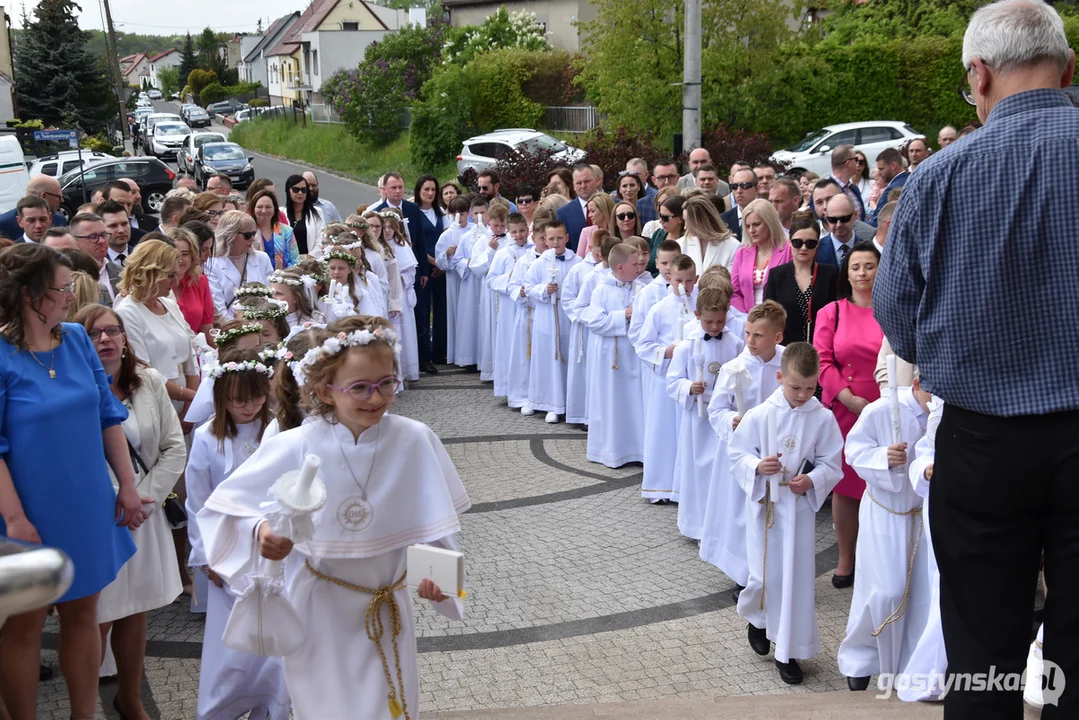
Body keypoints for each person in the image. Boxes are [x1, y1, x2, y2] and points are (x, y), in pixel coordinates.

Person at [875, 2, 1078, 717]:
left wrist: (956, 348)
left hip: (983, 440)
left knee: (980, 657)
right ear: (1067, 69)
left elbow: (897, 321)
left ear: (979, 74)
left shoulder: (934, 180)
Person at [196, 316, 471, 718]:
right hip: (318, 612)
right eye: (359, 387)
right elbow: (225, 509)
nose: (375, 398)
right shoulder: (296, 444)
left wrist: (442, 588)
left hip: (387, 608)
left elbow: (437, 531)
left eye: (386, 383)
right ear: (326, 391)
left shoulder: (414, 440)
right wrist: (261, 530)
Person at [0, 244, 140, 720]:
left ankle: (85, 715)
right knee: (25, 624)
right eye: (61, 289)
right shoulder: (0, 354)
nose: (70, 297)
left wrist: (126, 484)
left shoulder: (78, 339)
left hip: (86, 503)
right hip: (25, 513)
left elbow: (108, 416)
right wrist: (14, 519)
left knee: (84, 614)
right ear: (29, 295)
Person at [79, 304, 185, 720]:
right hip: (98, 519)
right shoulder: (77, 389)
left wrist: (145, 498)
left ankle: (131, 698)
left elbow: (173, 447)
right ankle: (85, 706)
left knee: (135, 608)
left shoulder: (150, 382)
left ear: (125, 339)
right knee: (97, 614)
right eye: (93, 334)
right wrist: (116, 499)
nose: (105, 340)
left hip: (143, 512)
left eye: (112, 331)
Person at [184, 347, 290, 720]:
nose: (248, 407)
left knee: (274, 646)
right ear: (222, 398)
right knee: (231, 647)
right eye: (237, 401)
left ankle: (271, 708)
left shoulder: (277, 431)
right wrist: (205, 556)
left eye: (257, 397)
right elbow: (197, 502)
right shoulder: (206, 438)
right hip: (227, 554)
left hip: (271, 550)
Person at [730, 342, 844, 685]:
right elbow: (737, 455)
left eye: (810, 388)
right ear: (780, 377)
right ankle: (758, 618)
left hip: (798, 512)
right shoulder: (761, 415)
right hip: (766, 509)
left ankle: (788, 652)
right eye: (795, 386)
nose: (802, 394)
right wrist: (757, 465)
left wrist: (812, 478)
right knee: (765, 576)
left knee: (795, 581)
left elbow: (832, 462)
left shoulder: (822, 418)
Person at [838, 373, 933, 692]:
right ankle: (861, 658)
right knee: (885, 591)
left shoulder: (942, 415)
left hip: (922, 516)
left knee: (920, 594)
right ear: (918, 383)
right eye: (933, 393)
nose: (937, 402)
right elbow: (854, 451)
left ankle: (908, 663)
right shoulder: (881, 409)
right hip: (885, 511)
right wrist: (885, 459)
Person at [701, 300, 787, 597]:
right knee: (741, 514)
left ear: (777, 337)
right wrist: (732, 420)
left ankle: (772, 570)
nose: (750, 340)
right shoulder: (734, 368)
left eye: (758, 335)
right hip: (744, 455)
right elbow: (717, 410)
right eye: (748, 333)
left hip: (778, 452)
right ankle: (744, 573)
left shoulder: (787, 363)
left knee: (774, 513)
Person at [813, 241, 883, 587]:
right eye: (855, 266)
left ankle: (881, 560)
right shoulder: (832, 312)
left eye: (869, 266)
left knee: (883, 483)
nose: (862, 273)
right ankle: (846, 558)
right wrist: (849, 398)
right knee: (845, 486)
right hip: (846, 407)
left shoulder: (893, 309)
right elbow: (822, 361)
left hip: (885, 409)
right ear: (847, 271)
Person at [667, 286, 743, 538]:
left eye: (720, 321)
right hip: (698, 418)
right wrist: (689, 386)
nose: (715, 327)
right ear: (697, 315)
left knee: (721, 471)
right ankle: (696, 526)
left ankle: (720, 526)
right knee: (698, 471)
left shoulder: (735, 343)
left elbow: (744, 376)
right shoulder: (688, 345)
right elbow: (672, 380)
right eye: (709, 321)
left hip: (725, 416)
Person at [634, 254, 698, 502]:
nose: (684, 287)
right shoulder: (659, 309)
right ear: (668, 277)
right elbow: (643, 344)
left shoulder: (700, 307)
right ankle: (660, 487)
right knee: (664, 432)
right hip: (666, 380)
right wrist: (666, 352)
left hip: (691, 381)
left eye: (689, 281)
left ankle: (686, 487)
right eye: (679, 280)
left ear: (696, 279)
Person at [580, 243, 649, 467]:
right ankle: (611, 451)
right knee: (612, 402)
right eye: (633, 264)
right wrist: (624, 315)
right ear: (620, 267)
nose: (638, 267)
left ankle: (637, 450)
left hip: (634, 355)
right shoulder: (601, 290)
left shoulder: (641, 288)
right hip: (611, 357)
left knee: (635, 402)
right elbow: (595, 322)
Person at [368, 172, 433, 374]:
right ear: (384, 189)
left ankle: (424, 358)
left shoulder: (413, 209)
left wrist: (423, 270)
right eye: (393, 187)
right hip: (388, 271)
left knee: (421, 315)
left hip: (411, 269)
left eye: (400, 187)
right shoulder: (376, 212)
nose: (398, 191)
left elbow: (420, 241)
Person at [524, 220, 581, 422]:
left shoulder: (577, 262)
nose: (555, 242)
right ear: (545, 241)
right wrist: (543, 290)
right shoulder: (540, 262)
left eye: (559, 238)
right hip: (547, 319)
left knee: (567, 358)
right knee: (548, 360)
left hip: (567, 320)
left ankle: (568, 403)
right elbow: (528, 287)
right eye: (551, 238)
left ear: (566, 238)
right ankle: (547, 402)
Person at [764, 212, 839, 345]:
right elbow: (769, 317)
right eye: (797, 242)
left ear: (817, 245)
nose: (803, 248)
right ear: (790, 243)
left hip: (823, 348)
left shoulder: (830, 274)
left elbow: (839, 314)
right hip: (786, 349)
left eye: (810, 243)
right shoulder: (776, 275)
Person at [488, 212, 534, 399]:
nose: (518, 235)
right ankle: (510, 388)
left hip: (529, 304)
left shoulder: (534, 251)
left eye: (522, 231)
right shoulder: (502, 253)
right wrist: (510, 278)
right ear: (508, 232)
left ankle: (531, 386)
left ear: (527, 229)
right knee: (511, 345)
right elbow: (491, 280)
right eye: (514, 232)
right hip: (509, 305)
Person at [508, 220, 549, 414]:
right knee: (526, 357)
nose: (547, 243)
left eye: (548, 238)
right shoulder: (525, 261)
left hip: (549, 317)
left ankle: (546, 397)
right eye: (542, 239)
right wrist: (522, 292)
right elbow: (512, 286)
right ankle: (524, 397)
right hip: (528, 315)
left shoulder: (555, 260)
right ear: (534, 239)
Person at [206, 210, 274, 320]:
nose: (252, 239)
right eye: (247, 235)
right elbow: (218, 306)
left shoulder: (262, 258)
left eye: (253, 233)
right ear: (230, 235)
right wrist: (236, 329)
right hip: (231, 326)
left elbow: (271, 296)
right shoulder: (212, 263)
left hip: (263, 322)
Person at [729, 199, 792, 314]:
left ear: (770, 222)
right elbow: (734, 292)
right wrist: (747, 317)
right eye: (747, 226)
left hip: (780, 319)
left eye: (756, 224)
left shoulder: (789, 250)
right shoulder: (741, 253)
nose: (751, 230)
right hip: (748, 320)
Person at [413, 174, 448, 365]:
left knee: (441, 309)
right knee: (424, 309)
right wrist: (434, 262)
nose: (430, 193)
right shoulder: (414, 212)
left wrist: (442, 264)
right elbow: (414, 243)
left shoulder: (440, 212)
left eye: (433, 189)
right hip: (424, 267)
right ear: (419, 191)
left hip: (441, 268)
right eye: (426, 189)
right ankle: (424, 354)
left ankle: (440, 350)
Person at [434, 197, 471, 366]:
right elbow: (439, 262)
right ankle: (457, 354)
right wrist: (447, 254)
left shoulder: (474, 231)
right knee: (456, 313)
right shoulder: (446, 235)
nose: (459, 217)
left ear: (468, 213)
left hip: (470, 278)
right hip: (454, 279)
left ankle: (470, 352)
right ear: (449, 214)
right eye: (455, 213)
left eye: (462, 213)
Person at [168, 227, 216, 338]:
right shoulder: (158, 284)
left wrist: (220, 352)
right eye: (175, 254)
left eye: (185, 254)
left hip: (197, 349)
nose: (180, 260)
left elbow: (207, 328)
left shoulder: (200, 281)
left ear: (193, 256)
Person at [681, 196, 739, 272]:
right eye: (685, 221)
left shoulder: (733, 246)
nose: (685, 227)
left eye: (689, 222)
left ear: (703, 221)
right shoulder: (681, 244)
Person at [0, 176, 66, 239]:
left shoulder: (60, 220)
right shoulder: (3, 225)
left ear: (50, 218)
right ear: (43, 196)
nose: (62, 200)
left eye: (43, 219)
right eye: (58, 196)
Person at [249, 189, 298, 270]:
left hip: (283, 279)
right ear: (253, 209)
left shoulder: (287, 231)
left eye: (268, 207)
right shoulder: (247, 231)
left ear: (275, 209)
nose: (264, 211)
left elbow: (294, 260)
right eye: (260, 207)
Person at [556, 164, 599, 251]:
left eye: (587, 181)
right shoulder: (563, 213)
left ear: (596, 180)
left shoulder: (614, 204)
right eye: (579, 183)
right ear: (574, 185)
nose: (583, 186)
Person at [284, 175, 324, 256]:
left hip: (310, 263)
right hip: (287, 263)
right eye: (296, 190)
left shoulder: (317, 213)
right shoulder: (280, 213)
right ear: (288, 191)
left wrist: (309, 258)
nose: (300, 193)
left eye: (303, 190)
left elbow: (320, 241)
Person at [867, 149, 909, 226]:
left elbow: (879, 221)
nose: (879, 173)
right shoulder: (908, 178)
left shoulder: (892, 189)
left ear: (893, 166)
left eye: (881, 169)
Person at [828, 145, 867, 220]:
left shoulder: (854, 188)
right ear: (848, 163)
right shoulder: (825, 191)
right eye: (855, 159)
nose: (857, 163)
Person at [721, 168, 759, 240]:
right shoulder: (723, 220)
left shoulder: (768, 216)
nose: (739, 191)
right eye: (734, 186)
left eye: (745, 185)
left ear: (757, 188)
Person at [575, 192, 615, 259]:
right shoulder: (586, 231)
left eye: (592, 211)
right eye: (589, 211)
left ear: (604, 210)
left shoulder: (618, 230)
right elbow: (579, 259)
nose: (589, 215)